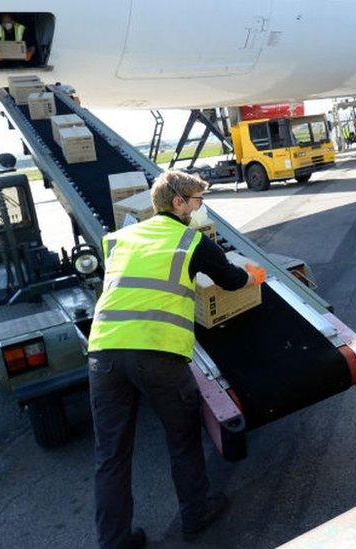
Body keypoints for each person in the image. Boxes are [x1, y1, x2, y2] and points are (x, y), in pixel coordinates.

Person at [87, 171, 266, 548]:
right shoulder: (190, 239)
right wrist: (254, 278)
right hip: (158, 353)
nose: (201, 206)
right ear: (179, 203)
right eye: (197, 200)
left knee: (111, 454)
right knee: (181, 437)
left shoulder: (118, 238)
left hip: (103, 353)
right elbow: (231, 279)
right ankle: (195, 514)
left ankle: (114, 541)